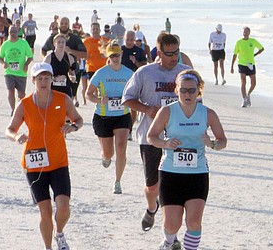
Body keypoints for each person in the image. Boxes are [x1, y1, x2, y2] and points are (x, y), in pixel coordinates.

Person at [146, 70, 227, 250]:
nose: (187, 94)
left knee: (194, 221)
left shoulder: (208, 114)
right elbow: (151, 136)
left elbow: (222, 141)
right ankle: (168, 240)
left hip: (197, 173)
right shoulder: (167, 112)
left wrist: (212, 144)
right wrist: (165, 143)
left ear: (199, 91)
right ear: (177, 90)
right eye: (183, 90)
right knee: (171, 224)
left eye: (192, 91)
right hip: (170, 173)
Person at [6, 62, 84, 250]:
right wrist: (16, 137)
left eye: (47, 78)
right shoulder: (24, 104)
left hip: (58, 161)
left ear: (52, 80)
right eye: (39, 79)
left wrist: (73, 127)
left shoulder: (62, 99)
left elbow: (78, 119)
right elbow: (9, 129)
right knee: (45, 210)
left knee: (64, 207)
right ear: (33, 81)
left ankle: (60, 233)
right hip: (34, 164)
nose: (43, 82)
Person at [122, 33, 191, 234]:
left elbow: (197, 101)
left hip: (179, 137)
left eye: (176, 53)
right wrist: (148, 109)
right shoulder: (145, 73)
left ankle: (171, 234)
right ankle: (152, 208)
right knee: (153, 187)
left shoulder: (185, 73)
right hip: (150, 137)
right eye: (169, 54)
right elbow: (127, 98)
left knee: (172, 188)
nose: (174, 57)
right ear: (158, 53)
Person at [86, 41, 135, 194]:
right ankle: (105, 156)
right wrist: (99, 100)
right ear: (108, 56)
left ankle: (117, 181)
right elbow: (89, 94)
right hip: (103, 116)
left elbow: (136, 91)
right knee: (109, 153)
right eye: (112, 56)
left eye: (117, 55)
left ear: (122, 54)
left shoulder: (129, 73)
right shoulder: (101, 73)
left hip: (122, 115)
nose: (115, 58)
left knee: (121, 147)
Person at [0, 25, 35, 114]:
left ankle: (19, 109)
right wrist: (3, 63)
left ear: (18, 32)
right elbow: (0, 57)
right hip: (9, 72)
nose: (13, 34)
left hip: (21, 73)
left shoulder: (23, 43)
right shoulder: (5, 44)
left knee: (21, 94)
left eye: (15, 32)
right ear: (8, 33)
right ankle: (13, 110)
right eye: (11, 32)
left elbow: (30, 57)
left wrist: (26, 64)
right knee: (10, 91)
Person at [230, 26, 264, 107]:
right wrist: (232, 66)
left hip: (251, 64)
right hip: (242, 64)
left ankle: (248, 94)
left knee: (253, 83)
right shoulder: (239, 42)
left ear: (249, 33)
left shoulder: (253, 41)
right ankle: (244, 99)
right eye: (244, 32)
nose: (245, 33)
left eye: (246, 32)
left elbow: (262, 48)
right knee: (243, 82)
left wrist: (255, 54)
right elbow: (235, 54)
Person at [45, 33, 79, 98]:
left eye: (63, 42)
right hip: (52, 89)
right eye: (59, 42)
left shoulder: (70, 58)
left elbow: (72, 73)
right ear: (54, 44)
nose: (61, 44)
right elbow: (43, 75)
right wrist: (54, 79)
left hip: (65, 88)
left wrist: (72, 77)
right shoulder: (48, 58)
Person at [82, 22, 107, 105]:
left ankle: (101, 103)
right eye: (94, 29)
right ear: (91, 30)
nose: (95, 30)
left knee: (102, 88)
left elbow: (111, 53)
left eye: (97, 29)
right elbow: (82, 54)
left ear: (100, 30)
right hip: (91, 68)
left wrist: (106, 55)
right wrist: (85, 56)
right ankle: (98, 104)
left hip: (103, 68)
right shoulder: (86, 41)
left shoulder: (105, 40)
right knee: (94, 88)